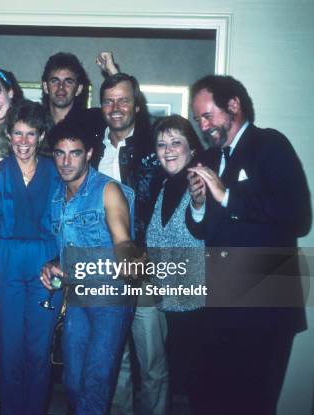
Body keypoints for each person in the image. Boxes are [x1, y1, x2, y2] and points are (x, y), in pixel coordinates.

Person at [185, 75, 311, 414]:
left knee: (253, 403)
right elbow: (203, 231)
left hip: (266, 305)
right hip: (222, 302)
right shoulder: (211, 158)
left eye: (208, 115)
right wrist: (198, 204)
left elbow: (298, 217)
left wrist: (227, 197)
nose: (203, 125)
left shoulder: (269, 145)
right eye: (198, 119)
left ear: (234, 106)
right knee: (209, 400)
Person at [41, 119, 135, 415]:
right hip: (77, 298)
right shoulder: (56, 196)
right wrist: (54, 264)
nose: (67, 161)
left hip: (110, 295)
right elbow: (66, 245)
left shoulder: (108, 191)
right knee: (72, 382)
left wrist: (129, 257)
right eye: (60, 153)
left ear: (90, 153)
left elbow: (122, 239)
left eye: (75, 153)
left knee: (97, 381)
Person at [0, 100, 58, 415]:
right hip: (5, 263)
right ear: (8, 135)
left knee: (38, 351)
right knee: (8, 350)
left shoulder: (55, 171)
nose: (23, 142)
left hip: (45, 262)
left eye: (30, 134)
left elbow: (63, 223)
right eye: (17, 134)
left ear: (41, 136)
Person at [97, 73, 168, 415]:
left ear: (136, 106)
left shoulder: (155, 150)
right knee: (116, 360)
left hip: (143, 266)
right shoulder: (92, 147)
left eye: (123, 100)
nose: (116, 107)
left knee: (152, 362)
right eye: (109, 100)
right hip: (99, 266)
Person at [145, 115, 206, 409]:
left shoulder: (202, 183)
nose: (168, 149)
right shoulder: (161, 187)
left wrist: (198, 203)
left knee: (195, 392)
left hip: (195, 311)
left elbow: (202, 222)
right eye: (161, 144)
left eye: (176, 142)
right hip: (162, 308)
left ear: (192, 149)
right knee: (164, 386)